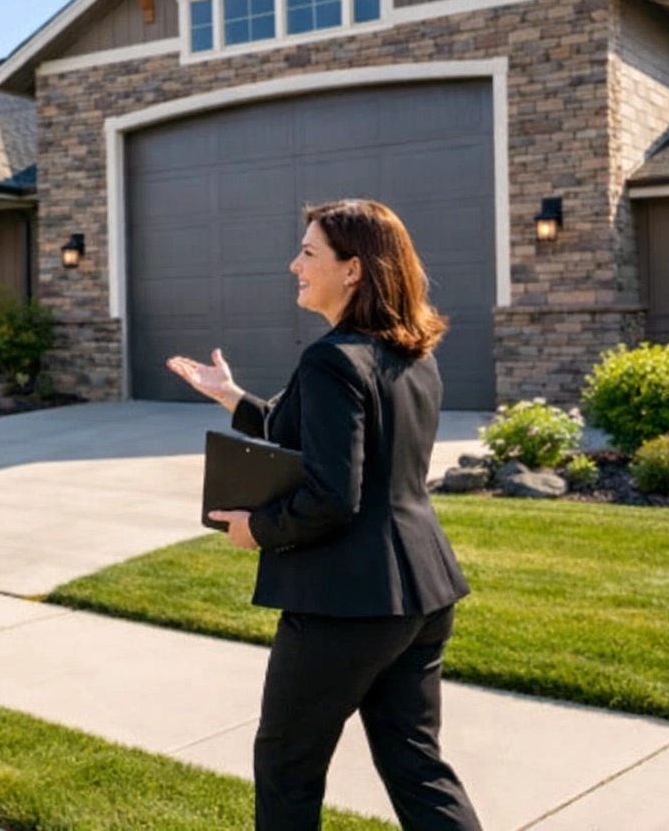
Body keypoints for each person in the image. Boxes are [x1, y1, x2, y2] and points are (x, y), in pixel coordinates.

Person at [167, 199, 481, 831]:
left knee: (287, 766)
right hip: (421, 591)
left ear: (354, 269)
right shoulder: (409, 355)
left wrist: (256, 528)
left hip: (346, 603)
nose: (294, 265)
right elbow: (319, 439)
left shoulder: (332, 359)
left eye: (309, 253)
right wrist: (230, 395)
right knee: (417, 765)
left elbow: (333, 495)